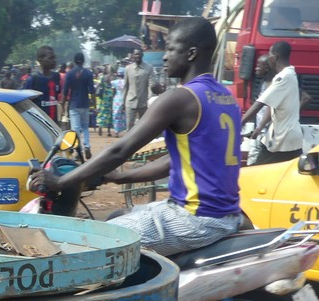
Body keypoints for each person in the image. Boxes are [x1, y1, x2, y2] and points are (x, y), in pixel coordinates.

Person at [34, 16, 242, 258]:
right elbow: (176, 161)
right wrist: (119, 178)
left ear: (191, 53)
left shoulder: (181, 98)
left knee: (91, 242)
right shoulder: (225, 98)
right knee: (116, 216)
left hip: (195, 218)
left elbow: (120, 150)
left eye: (171, 49)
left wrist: (62, 181)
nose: (165, 57)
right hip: (221, 214)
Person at [242, 41, 303, 165]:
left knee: (258, 173)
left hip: (282, 140)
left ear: (275, 56)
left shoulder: (284, 77)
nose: (268, 57)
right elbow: (272, 105)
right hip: (286, 137)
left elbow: (259, 104)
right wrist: (259, 128)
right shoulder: (289, 75)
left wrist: (238, 124)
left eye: (269, 54)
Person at [62, 52, 95, 157]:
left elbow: (65, 91)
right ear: (83, 61)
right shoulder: (88, 73)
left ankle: (78, 151)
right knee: (85, 127)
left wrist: (63, 106)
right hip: (85, 104)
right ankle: (87, 146)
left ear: (74, 61)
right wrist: (94, 104)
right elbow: (92, 91)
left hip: (74, 104)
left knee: (75, 129)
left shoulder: (70, 74)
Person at [29, 46, 61, 122]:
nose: (54, 61)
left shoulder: (56, 76)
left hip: (54, 122)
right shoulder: (34, 78)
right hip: (39, 122)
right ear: (40, 60)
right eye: (50, 58)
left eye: (54, 58)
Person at [123, 48, 150, 131]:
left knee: (144, 127)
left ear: (142, 55)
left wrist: (150, 99)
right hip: (130, 102)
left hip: (143, 102)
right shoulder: (128, 69)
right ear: (133, 56)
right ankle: (129, 144)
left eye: (139, 54)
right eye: (136, 54)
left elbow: (151, 85)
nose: (137, 56)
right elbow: (125, 86)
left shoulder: (148, 68)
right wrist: (123, 102)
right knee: (129, 126)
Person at [97, 68, 114, 137]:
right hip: (111, 97)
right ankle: (108, 131)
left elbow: (97, 85)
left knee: (102, 113)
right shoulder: (112, 77)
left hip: (104, 98)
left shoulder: (102, 77)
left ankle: (100, 127)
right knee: (109, 114)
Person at [111, 68, 126, 134]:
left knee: (116, 114)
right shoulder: (126, 82)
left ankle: (116, 130)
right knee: (124, 114)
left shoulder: (114, 82)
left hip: (117, 99)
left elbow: (113, 92)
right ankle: (124, 128)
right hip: (125, 98)